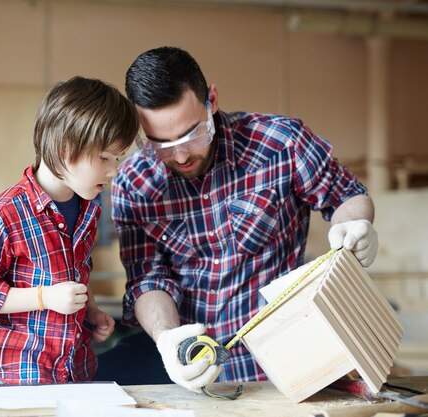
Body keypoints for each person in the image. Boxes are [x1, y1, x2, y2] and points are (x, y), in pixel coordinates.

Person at [95, 46, 378, 391]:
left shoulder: (280, 144)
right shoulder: (135, 183)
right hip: (198, 363)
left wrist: (355, 224)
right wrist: (168, 339)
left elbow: (346, 195)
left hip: (284, 356)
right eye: (161, 144)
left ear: (211, 100)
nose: (181, 155)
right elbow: (148, 278)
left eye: (191, 135)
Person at [0, 76, 139, 384]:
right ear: (67, 149)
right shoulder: (4, 214)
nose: (113, 171)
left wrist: (92, 311)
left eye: (118, 158)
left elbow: (74, 272)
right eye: (105, 157)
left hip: (75, 373)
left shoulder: (89, 208)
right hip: (23, 380)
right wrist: (45, 298)